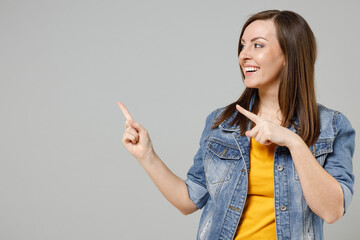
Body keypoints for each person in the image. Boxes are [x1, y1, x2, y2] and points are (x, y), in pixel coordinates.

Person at [118, 10, 355, 240]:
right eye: (243, 45)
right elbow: (189, 200)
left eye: (257, 45)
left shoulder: (331, 126)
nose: (243, 55)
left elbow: (332, 211)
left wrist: (293, 141)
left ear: (289, 54)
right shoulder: (221, 122)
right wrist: (147, 156)